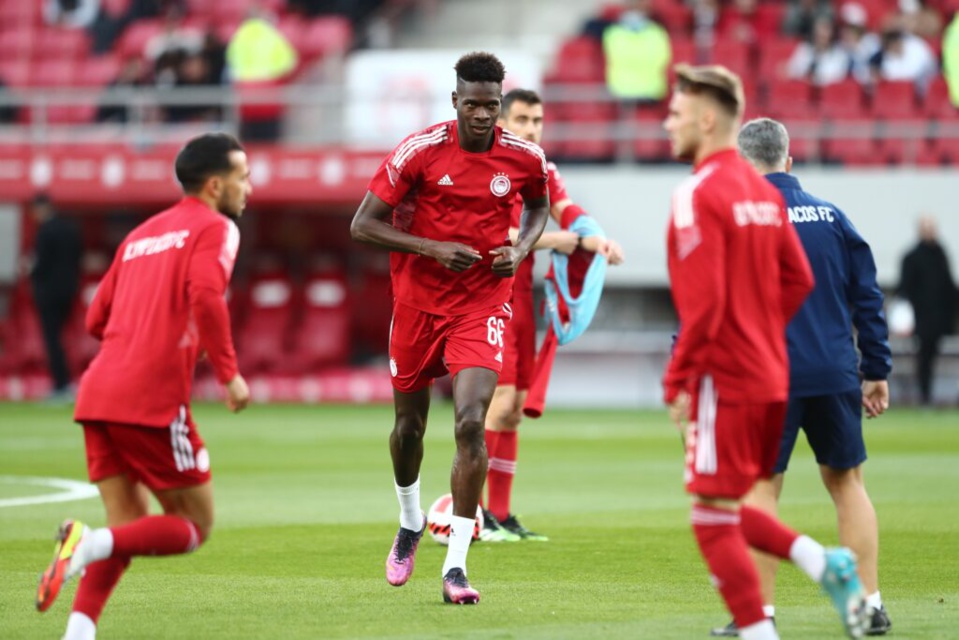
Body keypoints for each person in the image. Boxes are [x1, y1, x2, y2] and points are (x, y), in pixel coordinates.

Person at [661, 64, 868, 640]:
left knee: (712, 516)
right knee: (727, 506)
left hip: (723, 377)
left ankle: (762, 624)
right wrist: (759, 331)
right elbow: (797, 279)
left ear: (707, 120)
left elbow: (703, 307)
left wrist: (676, 380)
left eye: (676, 114)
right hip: (771, 374)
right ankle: (820, 564)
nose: (666, 124)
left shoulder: (697, 194)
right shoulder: (762, 196)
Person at [350, 52, 550, 604]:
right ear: (455, 101)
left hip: (481, 305)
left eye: (492, 106)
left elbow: (539, 208)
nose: (483, 115)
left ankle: (456, 566)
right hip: (417, 304)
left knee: (470, 423)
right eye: (473, 105)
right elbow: (362, 225)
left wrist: (520, 248)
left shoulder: (524, 157)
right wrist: (430, 247)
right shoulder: (419, 151)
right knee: (408, 428)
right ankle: (410, 521)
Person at [34, 133, 252, 640]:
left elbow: (95, 318)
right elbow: (205, 294)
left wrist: (149, 330)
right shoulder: (217, 228)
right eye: (242, 178)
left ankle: (78, 634)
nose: (248, 188)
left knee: (127, 526)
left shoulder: (140, 235)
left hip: (97, 394)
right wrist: (228, 373)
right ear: (215, 185)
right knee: (194, 525)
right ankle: (85, 543)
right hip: (150, 398)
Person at [705, 117, 893, 638]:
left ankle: (759, 614)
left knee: (761, 489)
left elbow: (708, 304)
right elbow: (867, 296)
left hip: (766, 378)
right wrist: (876, 369)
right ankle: (870, 605)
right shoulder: (832, 216)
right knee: (847, 483)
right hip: (834, 370)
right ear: (789, 161)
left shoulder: (736, 218)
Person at [480, 88, 625, 542]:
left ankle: (501, 514)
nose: (531, 129)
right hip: (488, 294)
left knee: (514, 408)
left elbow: (567, 211)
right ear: (502, 123)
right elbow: (499, 235)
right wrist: (566, 241)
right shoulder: (486, 169)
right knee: (500, 400)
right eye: (522, 119)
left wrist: (597, 239)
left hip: (522, 293)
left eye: (537, 121)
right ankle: (475, 513)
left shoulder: (543, 169)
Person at [30, 193, 83, 402]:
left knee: (52, 340)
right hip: (69, 290)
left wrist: (30, 271)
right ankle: (67, 382)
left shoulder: (45, 231)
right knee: (64, 338)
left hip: (49, 294)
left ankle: (60, 385)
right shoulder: (70, 228)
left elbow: (40, 264)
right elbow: (78, 257)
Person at [899, 215, 957, 405]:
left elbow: (948, 285)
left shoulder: (941, 254)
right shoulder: (912, 257)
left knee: (931, 355)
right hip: (922, 318)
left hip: (941, 317)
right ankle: (925, 396)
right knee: (925, 358)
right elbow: (905, 289)